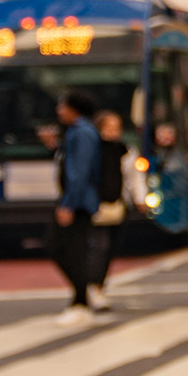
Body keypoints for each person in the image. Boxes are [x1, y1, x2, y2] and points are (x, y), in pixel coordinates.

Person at [53, 91, 103, 325]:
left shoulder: (82, 133)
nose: (59, 111)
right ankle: (81, 296)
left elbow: (79, 172)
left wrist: (68, 204)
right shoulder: (76, 132)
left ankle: (82, 297)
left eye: (63, 106)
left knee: (64, 248)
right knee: (69, 249)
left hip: (79, 201)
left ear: (75, 109)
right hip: (76, 200)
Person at [87, 111, 131, 311]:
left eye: (117, 127)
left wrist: (140, 200)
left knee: (110, 249)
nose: (114, 132)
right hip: (96, 207)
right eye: (109, 127)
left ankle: (99, 287)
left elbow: (133, 176)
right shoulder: (92, 150)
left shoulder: (124, 150)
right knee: (99, 247)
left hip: (117, 207)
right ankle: (93, 288)